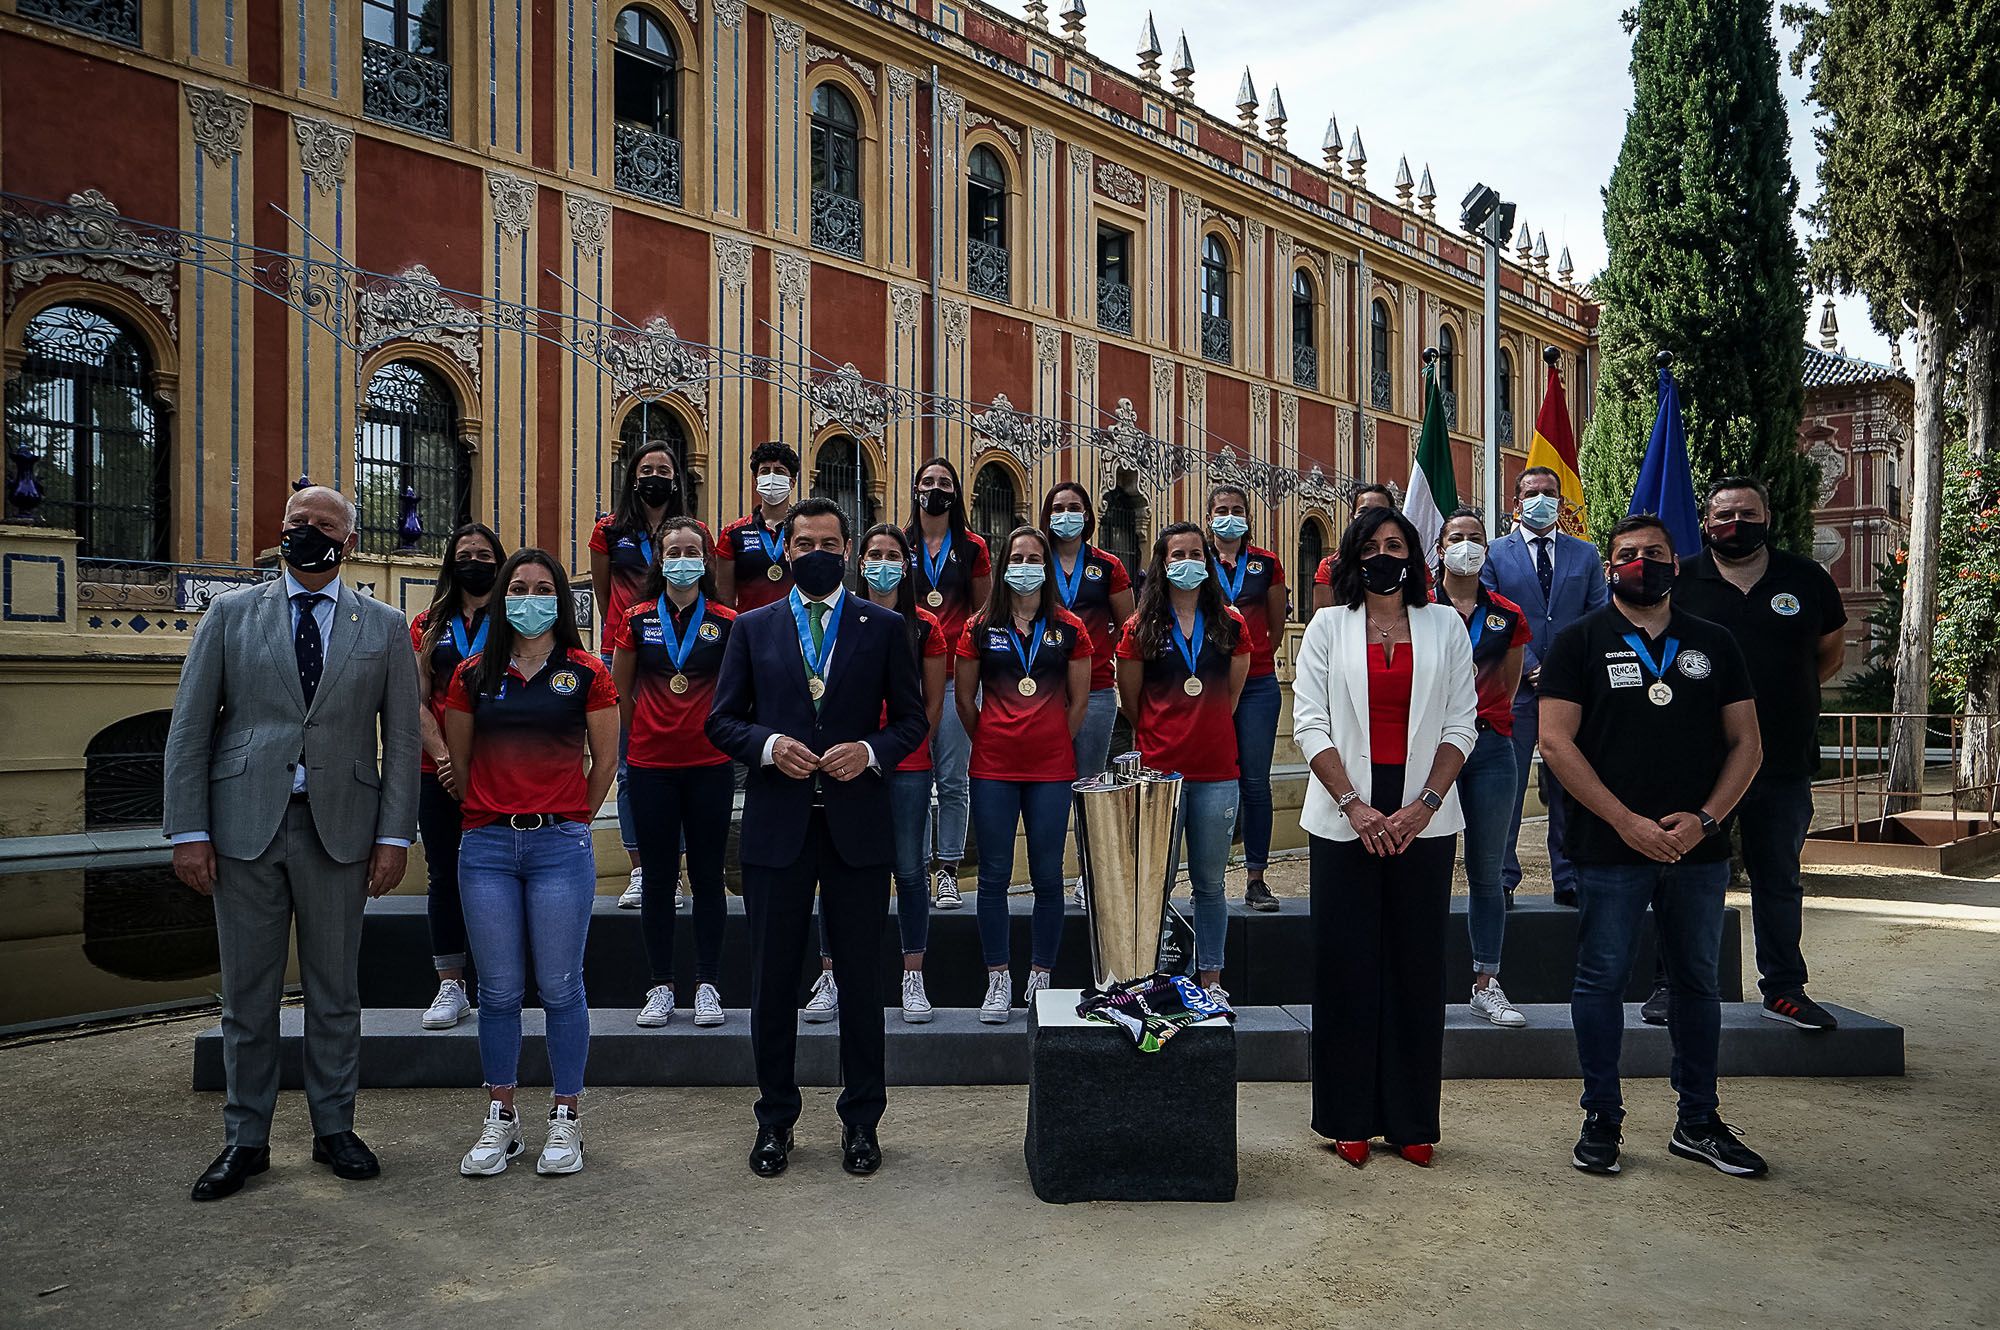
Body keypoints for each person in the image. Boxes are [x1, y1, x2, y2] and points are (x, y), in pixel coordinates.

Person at [164, 486, 420, 1201]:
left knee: (336, 991)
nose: (306, 534)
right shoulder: (230, 614)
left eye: (322, 526)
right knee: (247, 997)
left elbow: (400, 742)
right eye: (294, 525)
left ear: (350, 542)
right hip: (243, 825)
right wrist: (190, 831)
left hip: (340, 831)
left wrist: (393, 836)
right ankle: (246, 1140)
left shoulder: (386, 626)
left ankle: (334, 1128)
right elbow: (189, 729)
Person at [1538, 515, 1767, 1179]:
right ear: (1611, 567)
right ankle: (1602, 1119)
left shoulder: (1713, 642)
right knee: (1600, 981)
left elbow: (1748, 744)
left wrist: (1705, 818)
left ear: (1676, 562)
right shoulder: (1579, 642)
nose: (1644, 563)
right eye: (1630, 554)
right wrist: (1627, 822)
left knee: (1696, 982)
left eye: (1657, 553)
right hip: (1609, 848)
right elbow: (1556, 742)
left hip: (1696, 851)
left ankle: (1698, 1121)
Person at [706, 498, 928, 1179]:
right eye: (802, 543)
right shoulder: (753, 627)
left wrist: (870, 748)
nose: (815, 553)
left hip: (857, 826)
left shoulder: (885, 626)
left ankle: (862, 1122)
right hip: (780, 825)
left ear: (850, 549)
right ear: (787, 550)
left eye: (828, 542)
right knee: (773, 980)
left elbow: (913, 722)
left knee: (861, 981)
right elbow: (722, 721)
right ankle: (775, 1120)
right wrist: (769, 746)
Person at [1291, 506, 1476, 1168]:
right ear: (1350, 557)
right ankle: (1347, 1117)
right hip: (1346, 821)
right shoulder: (1326, 627)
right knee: (1346, 968)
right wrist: (1356, 806)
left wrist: (1423, 806)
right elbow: (1310, 722)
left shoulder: (1445, 624)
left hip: (1423, 822)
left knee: (1416, 968)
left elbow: (1463, 724)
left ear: (1414, 555)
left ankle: (1410, 1119)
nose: (1383, 555)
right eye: (1370, 546)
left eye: (1395, 544)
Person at [445, 550, 620, 1177]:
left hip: (558, 849)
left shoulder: (588, 671)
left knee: (561, 986)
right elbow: (459, 766)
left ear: (560, 601)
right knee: (496, 991)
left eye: (542, 588)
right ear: (501, 596)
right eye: (517, 587)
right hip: (487, 846)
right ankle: (501, 1119)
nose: (529, 597)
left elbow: (606, 760)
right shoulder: (471, 676)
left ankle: (566, 1118)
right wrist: (494, 808)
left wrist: (572, 817)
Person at [1670, 477, 1847, 1030]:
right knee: (1688, 875)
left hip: (1783, 760)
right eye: (1724, 515)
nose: (1735, 524)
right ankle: (1669, 985)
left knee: (1779, 877)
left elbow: (1828, 655)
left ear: (1767, 517)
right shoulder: (1682, 581)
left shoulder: (1807, 578)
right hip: (1699, 762)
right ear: (1705, 523)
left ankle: (1784, 988)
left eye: (1747, 513)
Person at [800, 524, 950, 1025]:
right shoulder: (834, 617)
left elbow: (929, 707)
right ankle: (831, 974)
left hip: (905, 764)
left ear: (906, 565)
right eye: (873, 553)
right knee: (836, 869)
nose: (882, 562)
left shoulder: (925, 626)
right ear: (857, 560)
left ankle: (913, 974)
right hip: (841, 763)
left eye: (892, 555)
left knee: (908, 870)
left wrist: (885, 750)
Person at [956, 526, 1092, 1024]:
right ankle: (997, 978)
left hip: (1052, 770)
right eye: (1018, 557)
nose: (1027, 565)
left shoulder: (1070, 628)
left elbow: (1078, 704)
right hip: (992, 767)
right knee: (992, 877)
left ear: (1047, 567)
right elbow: (964, 702)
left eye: (1036, 558)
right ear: (1002, 565)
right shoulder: (977, 628)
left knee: (1047, 876)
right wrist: (994, 737)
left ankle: (1041, 975)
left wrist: (1050, 737)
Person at [610, 518, 738, 1029]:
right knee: (659, 879)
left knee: (708, 877)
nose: (683, 558)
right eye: (673, 550)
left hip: (710, 765)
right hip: (650, 767)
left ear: (705, 561)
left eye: (692, 551)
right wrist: (648, 731)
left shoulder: (728, 621)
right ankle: (660, 984)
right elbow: (620, 689)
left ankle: (708, 984)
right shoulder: (637, 619)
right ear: (660, 560)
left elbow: (737, 692)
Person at [1114, 523, 1251, 998]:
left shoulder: (1230, 624)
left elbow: (1231, 695)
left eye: (1197, 553)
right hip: (1160, 775)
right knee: (1157, 884)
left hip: (1217, 772)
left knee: (1211, 884)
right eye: (1178, 554)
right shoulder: (1139, 628)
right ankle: (1150, 975)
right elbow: (1131, 702)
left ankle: (1211, 977)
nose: (1188, 561)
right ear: (1162, 563)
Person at [1481, 465, 1607, 907]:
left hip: (1572, 693)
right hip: (1514, 687)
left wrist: (1564, 670)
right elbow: (1491, 615)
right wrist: (1533, 665)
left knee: (1570, 786)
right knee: (1506, 788)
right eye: (1532, 493)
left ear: (1560, 500)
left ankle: (1569, 876)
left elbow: (1598, 616)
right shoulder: (1494, 554)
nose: (1541, 499)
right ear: (1516, 504)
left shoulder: (1586, 555)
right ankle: (1502, 876)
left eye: (1549, 493)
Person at [1434, 510, 1531, 1027]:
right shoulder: (1419, 607)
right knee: (1423, 867)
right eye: (1457, 538)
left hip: (1491, 749)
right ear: (1440, 546)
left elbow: (1509, 685)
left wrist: (1481, 724)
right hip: (1427, 752)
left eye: (1475, 539)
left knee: (1487, 871)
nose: (1467, 546)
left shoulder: (1506, 614)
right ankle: (1417, 978)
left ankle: (1487, 983)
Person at [409, 522, 507, 1031]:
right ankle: (450, 983)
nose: (474, 561)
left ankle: (499, 983)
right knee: (444, 875)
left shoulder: (516, 619)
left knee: (495, 878)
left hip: (499, 771)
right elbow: (415, 698)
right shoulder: (429, 623)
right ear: (452, 563)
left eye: (484, 554)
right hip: (438, 769)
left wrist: (471, 762)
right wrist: (447, 757)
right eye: (465, 554)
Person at [591, 439, 685, 911]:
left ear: (676, 479)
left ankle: (674, 871)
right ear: (633, 476)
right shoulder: (608, 531)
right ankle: (641, 869)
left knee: (681, 762)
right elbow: (604, 593)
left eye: (663, 469)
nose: (654, 476)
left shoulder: (690, 534)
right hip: (621, 655)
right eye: (646, 468)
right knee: (629, 767)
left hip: (677, 659)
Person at [1041, 482, 1135, 905]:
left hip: (1096, 691)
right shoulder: (1032, 560)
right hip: (1039, 693)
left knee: (1089, 785)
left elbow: (1129, 627)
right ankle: (1048, 875)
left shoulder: (1108, 565)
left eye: (1074, 507)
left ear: (1086, 515)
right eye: (1058, 507)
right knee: (1047, 786)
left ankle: (1087, 873)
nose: (1066, 514)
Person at [906, 457, 991, 910]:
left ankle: (948, 869)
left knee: (954, 779)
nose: (935, 489)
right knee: (914, 773)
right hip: (910, 676)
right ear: (915, 489)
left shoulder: (973, 547)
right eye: (927, 481)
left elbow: (981, 616)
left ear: (956, 494)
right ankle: (916, 868)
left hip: (958, 675)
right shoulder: (900, 544)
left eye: (944, 483)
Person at [1206, 484, 1288, 913]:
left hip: (1256, 685)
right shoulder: (1194, 560)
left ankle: (1256, 877)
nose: (1230, 517)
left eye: (1237, 510)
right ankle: (1210, 878)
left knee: (1255, 782)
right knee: (1213, 781)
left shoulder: (1266, 563)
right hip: (1205, 686)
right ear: (1209, 518)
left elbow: (1275, 625)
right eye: (1222, 510)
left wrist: (1253, 658)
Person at [716, 440, 799, 612]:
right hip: (749, 631)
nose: (771, 477)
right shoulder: (732, 533)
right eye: (765, 471)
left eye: (779, 471)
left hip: (797, 630)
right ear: (756, 480)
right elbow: (724, 598)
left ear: (792, 482)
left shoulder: (806, 530)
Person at [1312, 483, 1397, 611]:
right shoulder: (1330, 567)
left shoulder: (1408, 562)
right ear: (1352, 518)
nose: (1370, 517)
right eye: (1363, 511)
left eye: (1379, 512)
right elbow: (1323, 623)